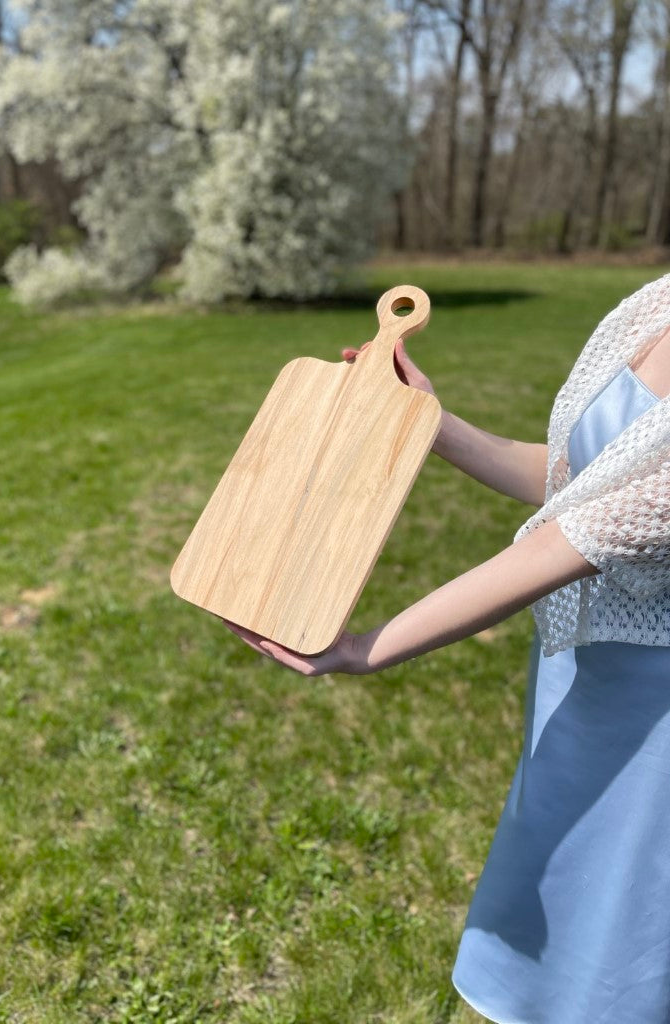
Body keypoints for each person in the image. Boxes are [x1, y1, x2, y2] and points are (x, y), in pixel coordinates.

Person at [222, 274, 670, 1024]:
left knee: (617, 954)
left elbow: (561, 547)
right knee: (557, 919)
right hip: (581, 683)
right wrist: (426, 420)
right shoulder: (658, 304)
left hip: (652, 723)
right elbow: (569, 484)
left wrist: (365, 649)